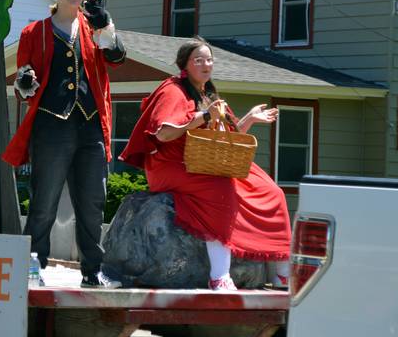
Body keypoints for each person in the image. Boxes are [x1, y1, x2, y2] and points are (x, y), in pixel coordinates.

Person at [119, 37, 291, 291]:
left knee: (271, 191)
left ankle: (282, 274)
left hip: (204, 159)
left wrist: (250, 119)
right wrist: (202, 117)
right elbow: (163, 134)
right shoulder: (172, 90)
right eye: (198, 60)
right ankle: (219, 275)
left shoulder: (209, 94)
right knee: (220, 190)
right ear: (184, 65)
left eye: (209, 59)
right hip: (171, 164)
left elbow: (227, 138)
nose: (205, 64)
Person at [3, 0, 126, 289]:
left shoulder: (95, 26)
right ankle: (32, 268)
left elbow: (116, 58)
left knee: (92, 202)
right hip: (51, 125)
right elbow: (23, 84)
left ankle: (92, 271)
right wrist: (26, 83)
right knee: (44, 203)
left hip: (89, 126)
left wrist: (105, 27)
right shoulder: (35, 32)